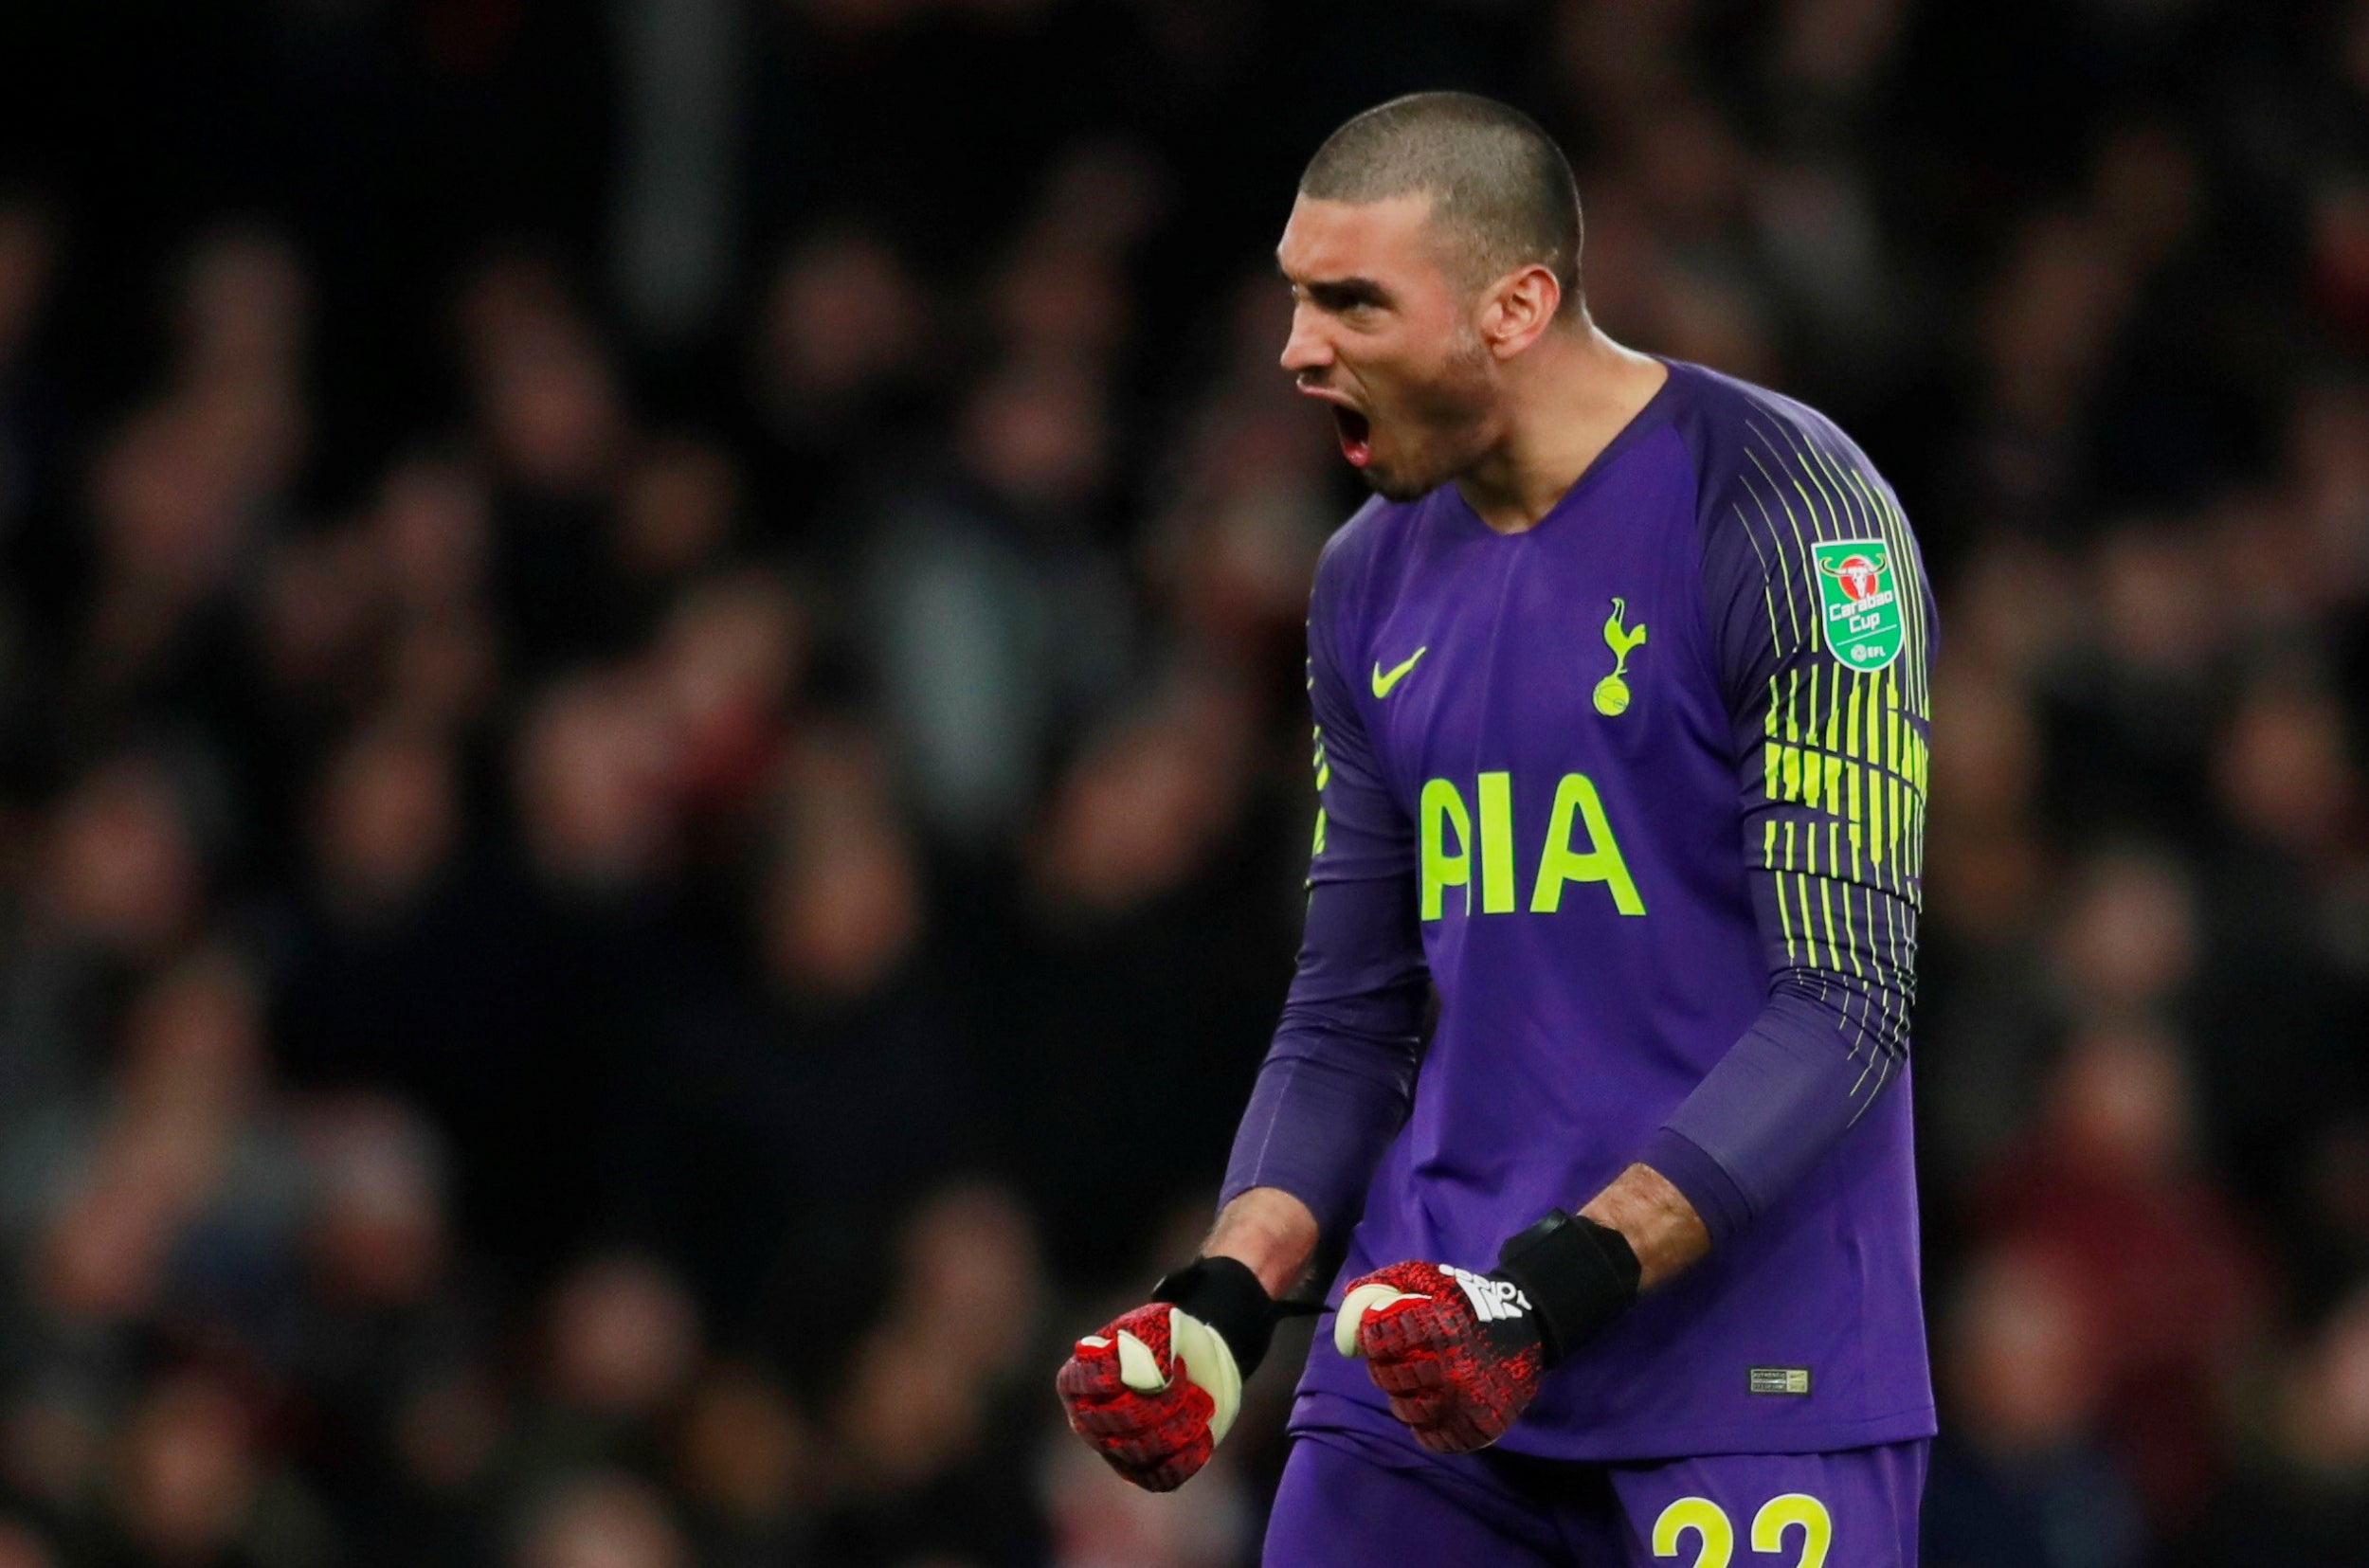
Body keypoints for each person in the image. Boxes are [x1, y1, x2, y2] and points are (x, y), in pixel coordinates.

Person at [1056, 92, 1938, 1565]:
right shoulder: (1364, 584)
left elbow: (1848, 996)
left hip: (1743, 1378)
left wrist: (1562, 1283)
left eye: (1351, 302)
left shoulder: (1787, 511)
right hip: (1427, 1365)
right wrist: (1224, 1293)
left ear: (1516, 305)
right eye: (1294, 295)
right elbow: (1351, 1006)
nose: (1296, 349)